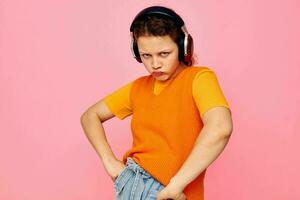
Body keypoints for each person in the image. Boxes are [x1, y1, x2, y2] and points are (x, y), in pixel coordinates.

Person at [80, 5, 233, 200]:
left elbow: (220, 127)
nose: (155, 64)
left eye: (164, 54)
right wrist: (109, 161)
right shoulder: (138, 87)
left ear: (183, 47)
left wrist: (175, 185)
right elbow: (89, 116)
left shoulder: (199, 79)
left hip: (170, 190)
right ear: (137, 52)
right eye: (146, 56)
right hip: (133, 183)